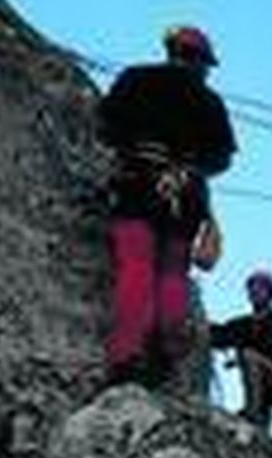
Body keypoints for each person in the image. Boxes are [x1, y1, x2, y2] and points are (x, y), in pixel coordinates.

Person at [98, 25, 237, 387]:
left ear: (171, 50)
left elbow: (106, 124)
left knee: (136, 265)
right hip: (184, 196)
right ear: (201, 62)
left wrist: (134, 147)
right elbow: (222, 158)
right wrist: (189, 164)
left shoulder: (135, 78)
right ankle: (166, 355)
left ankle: (126, 356)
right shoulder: (210, 101)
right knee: (172, 272)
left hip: (138, 184)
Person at [211, 269, 272, 430]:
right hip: (265, 377)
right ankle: (259, 419)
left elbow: (271, 348)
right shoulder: (243, 323)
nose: (254, 292)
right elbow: (222, 334)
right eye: (252, 289)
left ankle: (253, 411)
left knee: (249, 356)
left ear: (271, 294)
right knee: (248, 358)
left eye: (260, 288)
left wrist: (241, 354)